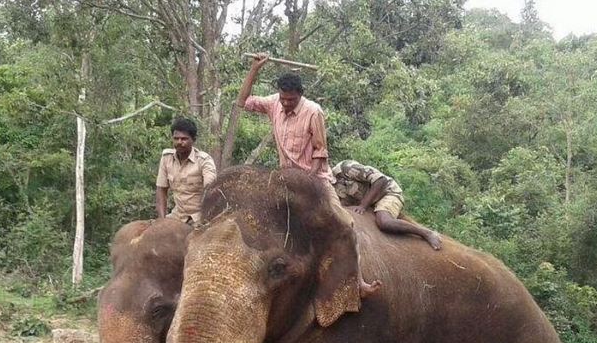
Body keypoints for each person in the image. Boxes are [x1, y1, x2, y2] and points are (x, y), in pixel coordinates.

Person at [236, 54, 380, 297]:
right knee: (257, 221)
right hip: (284, 179)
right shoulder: (274, 103)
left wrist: (308, 183)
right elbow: (243, 101)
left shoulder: (314, 112)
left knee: (346, 223)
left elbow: (321, 152)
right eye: (283, 98)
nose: (285, 104)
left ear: (300, 95)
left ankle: (358, 281)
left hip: (315, 178)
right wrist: (254, 69)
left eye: (291, 100)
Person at [332, 160, 442, 250]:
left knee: (384, 222)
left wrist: (363, 206)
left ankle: (426, 233)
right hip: (371, 204)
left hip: (387, 192)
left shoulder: (345, 168)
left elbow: (381, 180)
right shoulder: (329, 190)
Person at [156, 117, 217, 223]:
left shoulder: (204, 160)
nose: (179, 142)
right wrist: (162, 221)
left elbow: (211, 191)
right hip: (176, 216)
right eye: (176, 138)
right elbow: (161, 190)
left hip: (199, 218)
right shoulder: (167, 158)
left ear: (193, 140)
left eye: (184, 139)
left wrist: (203, 219)